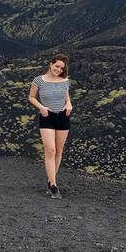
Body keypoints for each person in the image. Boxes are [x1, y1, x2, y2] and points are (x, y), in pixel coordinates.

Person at [28, 53, 72, 199]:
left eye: (61, 68)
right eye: (57, 66)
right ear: (51, 64)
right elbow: (31, 97)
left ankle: (50, 179)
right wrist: (41, 107)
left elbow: (66, 97)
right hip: (47, 116)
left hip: (63, 117)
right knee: (50, 150)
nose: (59, 69)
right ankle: (53, 185)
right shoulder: (39, 80)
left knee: (59, 150)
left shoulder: (65, 81)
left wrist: (69, 104)